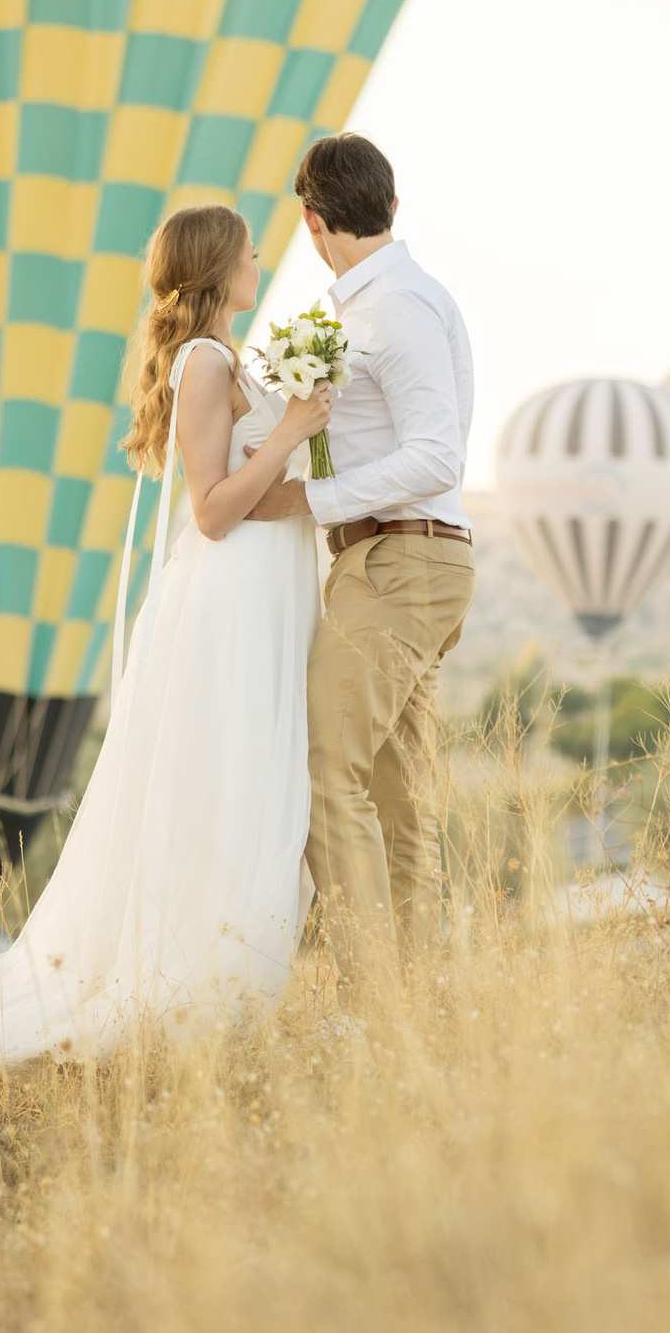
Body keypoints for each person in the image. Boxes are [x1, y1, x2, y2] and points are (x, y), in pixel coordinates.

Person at [0, 203, 332, 1121]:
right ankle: (195, 983)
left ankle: (219, 981)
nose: (261, 258)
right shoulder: (203, 362)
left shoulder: (228, 359)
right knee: (222, 793)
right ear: (214, 263)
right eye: (247, 249)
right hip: (228, 611)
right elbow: (214, 508)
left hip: (258, 605)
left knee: (245, 791)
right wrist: (296, 424)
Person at [247, 133, 476, 988]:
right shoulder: (380, 306)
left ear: (311, 221)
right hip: (403, 562)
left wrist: (309, 501)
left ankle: (372, 993)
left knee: (324, 768)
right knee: (396, 793)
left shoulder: (395, 310)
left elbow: (437, 457)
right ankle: (414, 996)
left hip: (397, 561)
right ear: (388, 203)